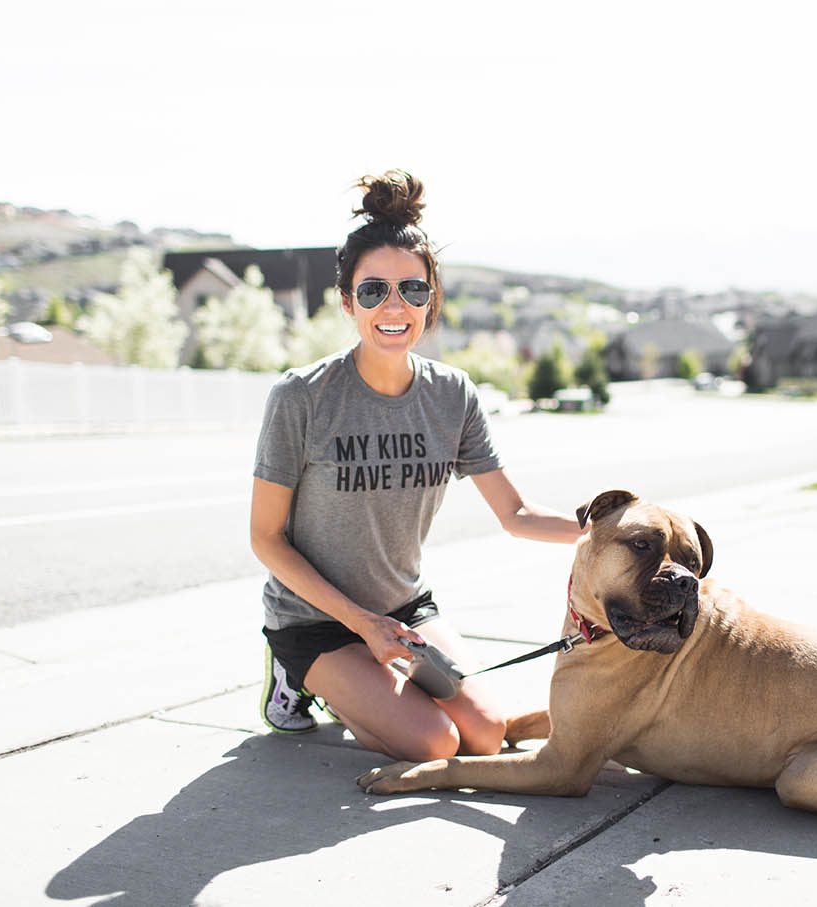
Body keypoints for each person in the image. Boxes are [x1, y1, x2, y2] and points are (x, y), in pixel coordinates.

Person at [250, 169, 584, 762]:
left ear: (433, 300)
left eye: (413, 290)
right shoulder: (302, 397)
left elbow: (517, 513)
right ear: (349, 300)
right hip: (316, 618)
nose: (394, 306)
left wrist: (621, 538)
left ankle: (373, 687)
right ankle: (295, 674)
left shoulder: (452, 395)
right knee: (435, 744)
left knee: (482, 734)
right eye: (374, 291)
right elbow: (266, 538)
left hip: (404, 609)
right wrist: (361, 625)